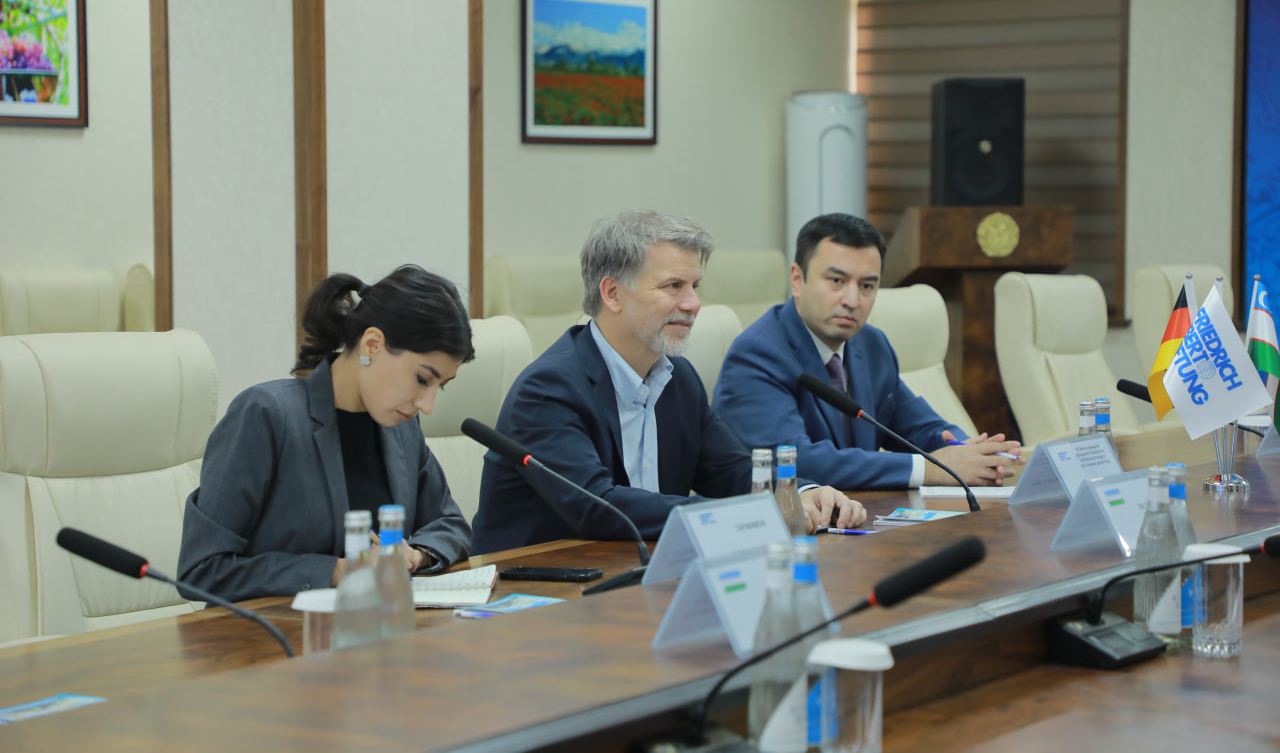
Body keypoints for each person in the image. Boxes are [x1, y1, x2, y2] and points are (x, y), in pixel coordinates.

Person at [470, 210, 864, 554]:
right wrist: (750, 514)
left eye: (695, 287)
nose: (693, 304)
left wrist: (800, 493)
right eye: (674, 286)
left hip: (641, 571)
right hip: (539, 590)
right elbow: (598, 507)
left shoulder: (678, 378)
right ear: (613, 293)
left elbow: (730, 471)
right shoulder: (549, 389)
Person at [178, 265, 475, 601]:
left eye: (440, 386)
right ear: (373, 345)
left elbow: (450, 524)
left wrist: (415, 554)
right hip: (276, 629)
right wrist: (339, 571)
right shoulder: (266, 415)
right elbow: (201, 570)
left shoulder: (402, 427)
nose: (427, 405)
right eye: (422, 379)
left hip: (380, 624)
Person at [714, 213, 1022, 490]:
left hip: (862, 516)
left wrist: (971, 451)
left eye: (867, 286)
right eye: (837, 281)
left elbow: (920, 427)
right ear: (797, 280)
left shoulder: (871, 345)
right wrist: (928, 469)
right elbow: (794, 461)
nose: (852, 300)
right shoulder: (758, 354)